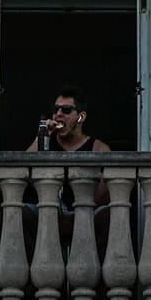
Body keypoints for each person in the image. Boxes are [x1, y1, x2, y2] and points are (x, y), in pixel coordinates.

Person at [23, 86, 110, 257]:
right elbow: (22, 168)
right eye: (56, 110)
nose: (58, 114)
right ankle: (28, 282)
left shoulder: (98, 148)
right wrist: (41, 136)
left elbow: (105, 190)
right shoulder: (46, 142)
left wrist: (79, 214)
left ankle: (101, 282)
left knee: (108, 216)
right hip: (47, 210)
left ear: (81, 117)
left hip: (87, 211)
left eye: (66, 110)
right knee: (20, 213)